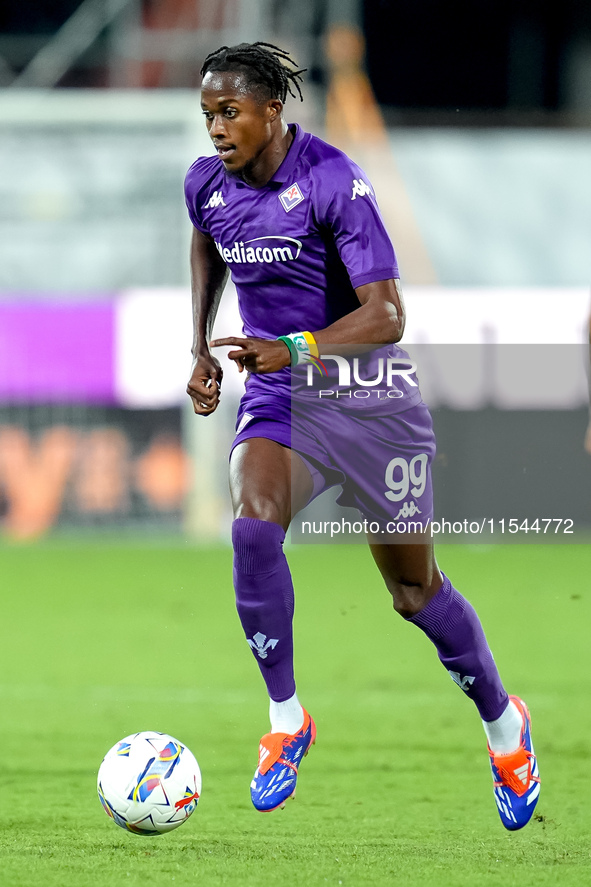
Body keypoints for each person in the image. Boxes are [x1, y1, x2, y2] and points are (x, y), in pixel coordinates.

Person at [184, 41, 540, 829]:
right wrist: (200, 345)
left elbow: (387, 316)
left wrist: (299, 346)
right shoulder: (206, 186)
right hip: (280, 395)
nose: (215, 128)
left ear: (272, 109)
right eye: (207, 113)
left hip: (369, 400)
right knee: (251, 528)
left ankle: (504, 727)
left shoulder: (330, 179)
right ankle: (286, 723)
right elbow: (206, 242)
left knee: (413, 593)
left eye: (230, 112)